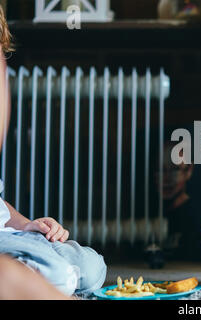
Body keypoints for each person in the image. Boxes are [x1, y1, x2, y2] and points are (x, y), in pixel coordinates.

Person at [0, 6, 106, 297]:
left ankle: (39, 271)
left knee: (92, 264)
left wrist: (26, 224)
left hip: (10, 235)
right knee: (57, 273)